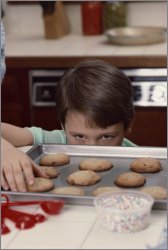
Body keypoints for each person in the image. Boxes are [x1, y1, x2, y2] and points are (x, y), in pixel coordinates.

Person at [1, 58, 136, 192]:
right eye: (79, 136)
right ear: (63, 125)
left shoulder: (136, 158)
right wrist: (4, 149)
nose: (92, 150)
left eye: (106, 137)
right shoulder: (56, 143)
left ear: (128, 125)